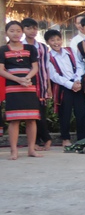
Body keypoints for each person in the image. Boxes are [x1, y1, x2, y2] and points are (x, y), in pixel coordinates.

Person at [0, 21, 42, 160]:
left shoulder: (30, 48)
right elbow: (1, 70)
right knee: (14, 120)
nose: (15, 33)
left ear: (22, 32)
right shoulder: (3, 50)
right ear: (7, 33)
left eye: (18, 31)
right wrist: (18, 80)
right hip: (12, 87)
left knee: (31, 119)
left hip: (29, 86)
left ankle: (31, 149)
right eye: (12, 31)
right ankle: (14, 151)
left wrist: (27, 78)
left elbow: (35, 67)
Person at [44, 29, 85, 146]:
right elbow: (53, 76)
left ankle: (82, 138)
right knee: (65, 113)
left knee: (81, 112)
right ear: (48, 42)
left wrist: (77, 80)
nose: (56, 42)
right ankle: (65, 138)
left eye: (58, 39)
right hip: (63, 87)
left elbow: (80, 65)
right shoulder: (48, 57)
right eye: (52, 40)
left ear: (61, 40)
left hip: (77, 84)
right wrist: (70, 84)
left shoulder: (70, 51)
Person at [21, 18, 52, 150]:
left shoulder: (43, 47)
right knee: (30, 114)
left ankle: (44, 139)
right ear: (23, 30)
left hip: (42, 83)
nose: (32, 31)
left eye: (34, 28)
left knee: (41, 112)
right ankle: (40, 140)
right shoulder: (19, 46)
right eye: (29, 28)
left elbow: (46, 67)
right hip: (26, 82)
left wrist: (49, 86)